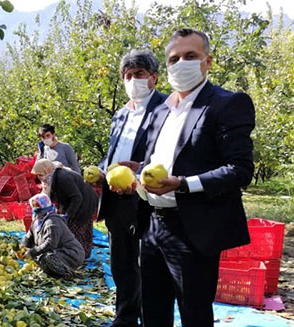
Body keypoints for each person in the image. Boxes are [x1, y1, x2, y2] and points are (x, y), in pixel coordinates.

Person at [122, 28, 255, 327]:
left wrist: (183, 184)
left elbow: (240, 169)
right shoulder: (160, 111)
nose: (181, 63)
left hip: (193, 227)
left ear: (207, 61)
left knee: (194, 313)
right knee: (152, 311)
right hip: (152, 224)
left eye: (190, 56)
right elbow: (158, 161)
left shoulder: (226, 104)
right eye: (174, 58)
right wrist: (137, 175)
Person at [96, 49, 167, 327]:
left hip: (145, 197)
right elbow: (113, 153)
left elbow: (170, 153)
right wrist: (102, 171)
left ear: (154, 78)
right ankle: (125, 319)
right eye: (128, 75)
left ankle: (151, 319)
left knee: (147, 266)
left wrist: (141, 167)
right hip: (116, 199)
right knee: (121, 264)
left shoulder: (165, 109)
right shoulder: (121, 115)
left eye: (139, 74)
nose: (133, 80)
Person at [32, 159, 97, 257]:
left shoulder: (63, 178)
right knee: (71, 228)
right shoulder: (53, 177)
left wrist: (68, 215)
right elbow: (58, 194)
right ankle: (79, 254)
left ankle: (79, 255)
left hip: (85, 202)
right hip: (76, 201)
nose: (39, 178)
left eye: (40, 175)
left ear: (48, 171)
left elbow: (76, 197)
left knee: (77, 228)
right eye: (38, 175)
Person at [20, 193, 85, 279]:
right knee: (39, 257)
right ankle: (52, 272)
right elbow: (29, 236)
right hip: (56, 251)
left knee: (47, 257)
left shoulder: (52, 222)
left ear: (44, 206)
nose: (35, 209)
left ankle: (68, 274)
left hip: (71, 253)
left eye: (37, 206)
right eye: (33, 206)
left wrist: (32, 252)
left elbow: (50, 244)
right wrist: (21, 247)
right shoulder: (36, 221)